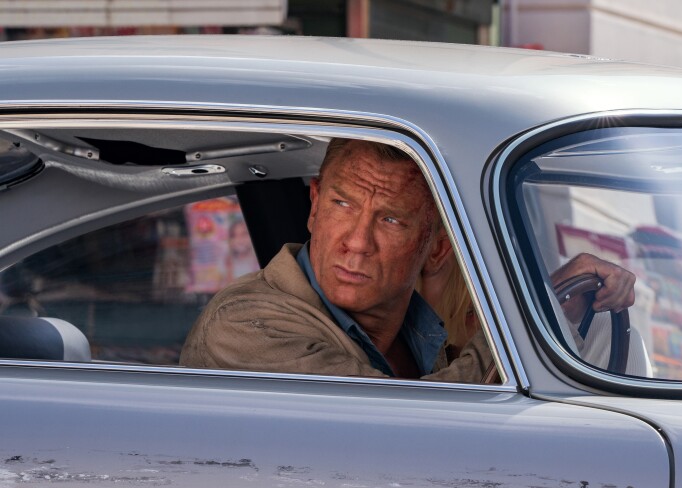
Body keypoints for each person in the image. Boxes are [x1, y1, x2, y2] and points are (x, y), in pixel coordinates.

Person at [180, 138, 635, 382]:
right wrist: (543, 309)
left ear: (435, 246)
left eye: (391, 220)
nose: (357, 243)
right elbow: (408, 435)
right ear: (314, 205)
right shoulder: (244, 324)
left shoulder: (415, 333)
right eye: (342, 205)